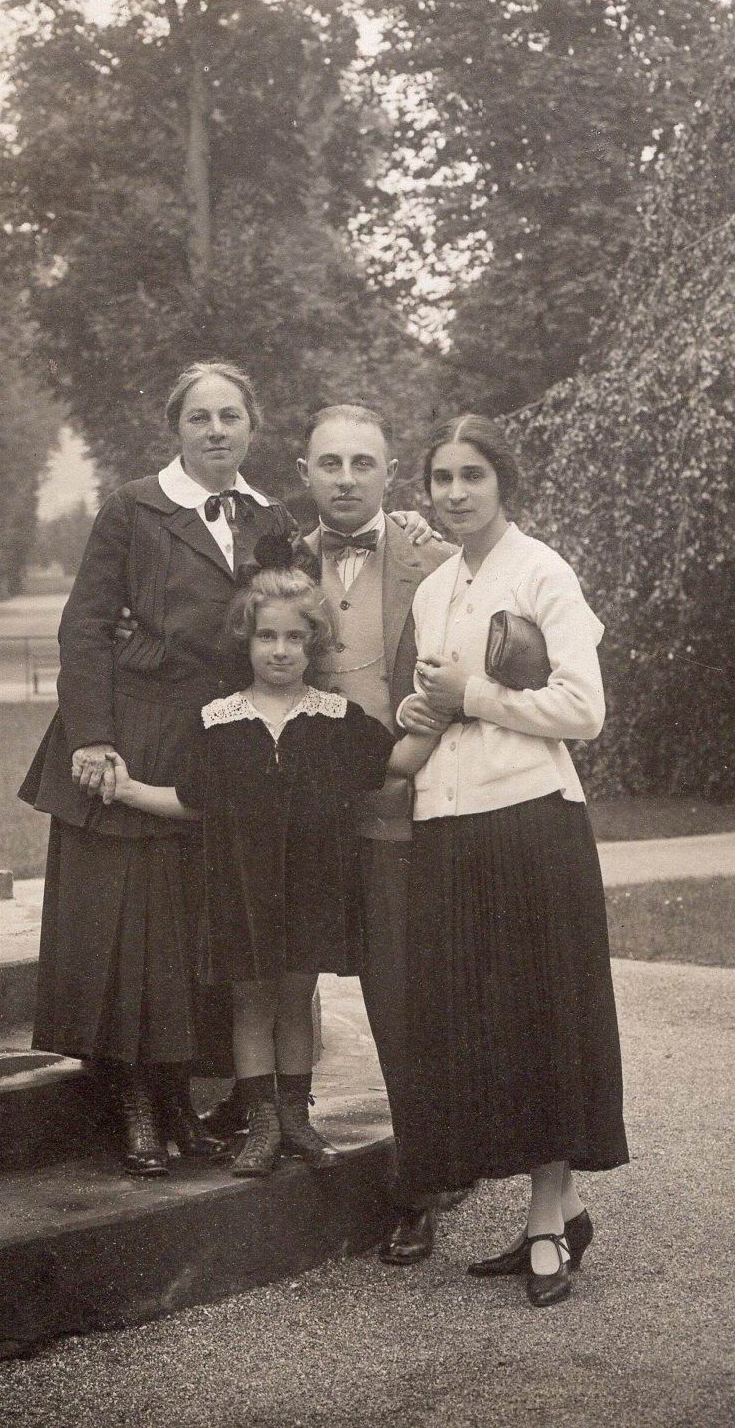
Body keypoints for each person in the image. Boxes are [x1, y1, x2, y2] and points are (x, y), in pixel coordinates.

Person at [21, 361, 435, 1178]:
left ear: (252, 428)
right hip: (135, 736)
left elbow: (295, 606)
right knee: (129, 930)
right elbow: (85, 627)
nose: (215, 431)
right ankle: (138, 1100)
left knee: (206, 928)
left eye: (230, 417)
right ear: (176, 427)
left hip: (227, 744)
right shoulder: (134, 507)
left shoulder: (269, 517)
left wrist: (408, 531)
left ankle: (209, 1097)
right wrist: (95, 738)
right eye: (199, 417)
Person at [395, 413, 629, 1308]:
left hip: (531, 819)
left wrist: (473, 693)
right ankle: (559, 1209)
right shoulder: (433, 590)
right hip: (447, 823)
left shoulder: (541, 571)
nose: (454, 493)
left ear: (503, 484)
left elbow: (582, 708)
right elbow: (436, 705)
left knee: (540, 1020)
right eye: (442, 478)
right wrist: (426, 717)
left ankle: (542, 1226)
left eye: (471, 477)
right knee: (483, 1023)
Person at [103, 557, 436, 1176]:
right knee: (251, 1003)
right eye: (266, 636)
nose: (280, 650)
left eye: (294, 637)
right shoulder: (219, 721)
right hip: (241, 892)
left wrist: (437, 714)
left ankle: (296, 1121)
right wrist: (125, 790)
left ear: (314, 644)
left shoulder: (335, 719)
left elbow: (398, 763)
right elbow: (189, 802)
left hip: (312, 887)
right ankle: (260, 1127)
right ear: (246, 640)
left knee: (296, 995)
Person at [296, 404, 456, 1263]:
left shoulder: (435, 556)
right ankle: (274, 1126)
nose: (346, 477)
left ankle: (420, 1181)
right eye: (330, 462)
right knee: (284, 974)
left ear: (389, 473)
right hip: (302, 816)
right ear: (304, 471)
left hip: (396, 808)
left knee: (399, 997)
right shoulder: (277, 558)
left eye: (363, 462)